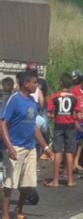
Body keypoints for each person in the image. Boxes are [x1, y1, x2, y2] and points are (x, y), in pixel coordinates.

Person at [1, 71, 53, 219]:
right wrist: (9, 147)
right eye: (35, 82)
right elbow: (3, 123)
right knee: (9, 184)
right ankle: (5, 214)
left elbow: (34, 127)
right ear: (26, 84)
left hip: (30, 147)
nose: (37, 85)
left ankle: (19, 208)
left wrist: (46, 147)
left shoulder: (32, 101)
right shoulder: (14, 99)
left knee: (28, 184)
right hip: (15, 146)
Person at [45, 73, 81, 187]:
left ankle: (55, 181)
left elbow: (49, 114)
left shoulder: (55, 97)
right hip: (70, 126)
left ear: (61, 83)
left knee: (58, 152)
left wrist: (55, 116)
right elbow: (77, 115)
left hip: (59, 126)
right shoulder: (74, 98)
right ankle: (70, 180)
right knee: (69, 152)